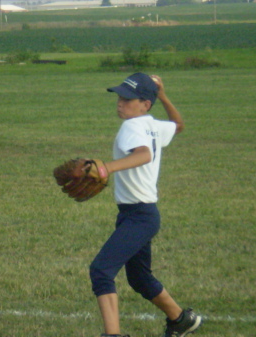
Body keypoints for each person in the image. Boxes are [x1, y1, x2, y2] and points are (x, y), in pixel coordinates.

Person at [89, 73, 203, 337]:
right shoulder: (152, 124)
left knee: (101, 271)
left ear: (144, 104)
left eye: (128, 98)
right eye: (120, 96)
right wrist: (162, 95)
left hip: (139, 216)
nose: (120, 103)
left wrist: (106, 168)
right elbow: (178, 125)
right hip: (143, 214)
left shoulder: (132, 127)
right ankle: (180, 320)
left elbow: (143, 155)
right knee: (139, 278)